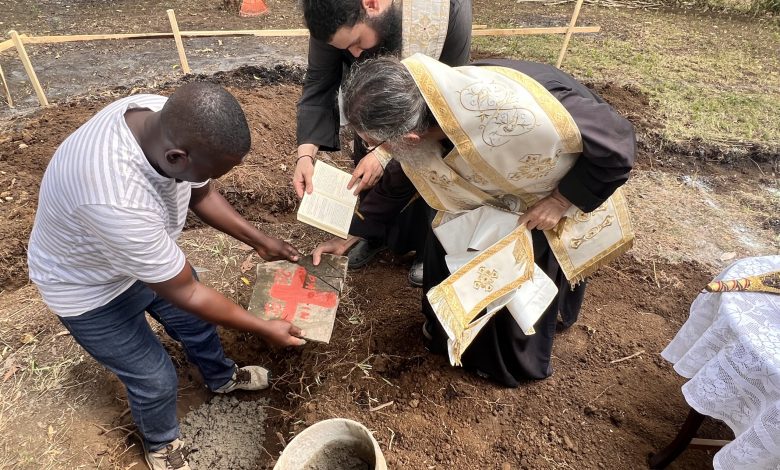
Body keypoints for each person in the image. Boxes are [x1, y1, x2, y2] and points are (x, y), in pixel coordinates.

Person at [27, 83, 306, 470]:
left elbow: (201, 193)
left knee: (198, 326)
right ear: (177, 157)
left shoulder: (162, 116)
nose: (207, 178)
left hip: (138, 259)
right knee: (155, 379)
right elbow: (188, 291)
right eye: (207, 170)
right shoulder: (114, 195)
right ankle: (161, 444)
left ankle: (221, 377)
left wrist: (260, 241)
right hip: (88, 289)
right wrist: (262, 325)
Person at [313, 55, 636, 387]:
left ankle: (504, 363)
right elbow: (407, 170)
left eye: (374, 144)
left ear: (409, 136)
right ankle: (446, 332)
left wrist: (561, 199)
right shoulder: (426, 109)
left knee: (518, 280)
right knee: (445, 244)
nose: (374, 150)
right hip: (486, 196)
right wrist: (354, 232)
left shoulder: (524, 112)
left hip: (542, 195)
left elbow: (619, 146)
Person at [293, 0, 472, 286]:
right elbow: (320, 81)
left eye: (356, 42)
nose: (353, 54)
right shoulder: (330, 9)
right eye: (344, 49)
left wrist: (386, 152)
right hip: (373, 104)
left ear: (372, 4)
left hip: (426, 110)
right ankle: (372, 234)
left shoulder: (445, 9)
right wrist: (305, 154)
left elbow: (446, 93)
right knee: (368, 155)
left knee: (426, 170)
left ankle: (427, 248)